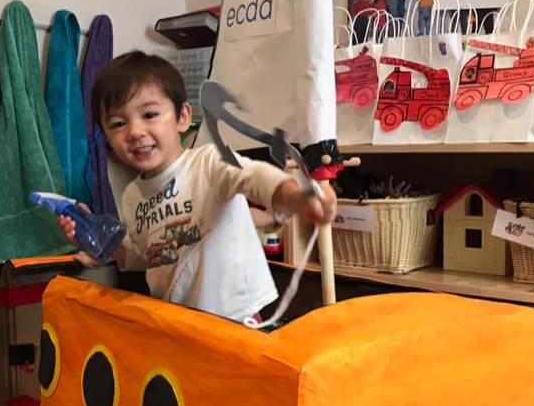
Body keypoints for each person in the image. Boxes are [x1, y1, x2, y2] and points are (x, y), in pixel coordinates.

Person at [59, 51, 337, 322]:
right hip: (177, 324)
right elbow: (142, 256)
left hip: (235, 317)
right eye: (118, 123)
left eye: (150, 114)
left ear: (182, 118)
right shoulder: (133, 195)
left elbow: (254, 177)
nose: (135, 131)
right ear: (106, 137)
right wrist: (101, 243)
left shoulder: (208, 161)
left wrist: (296, 197)